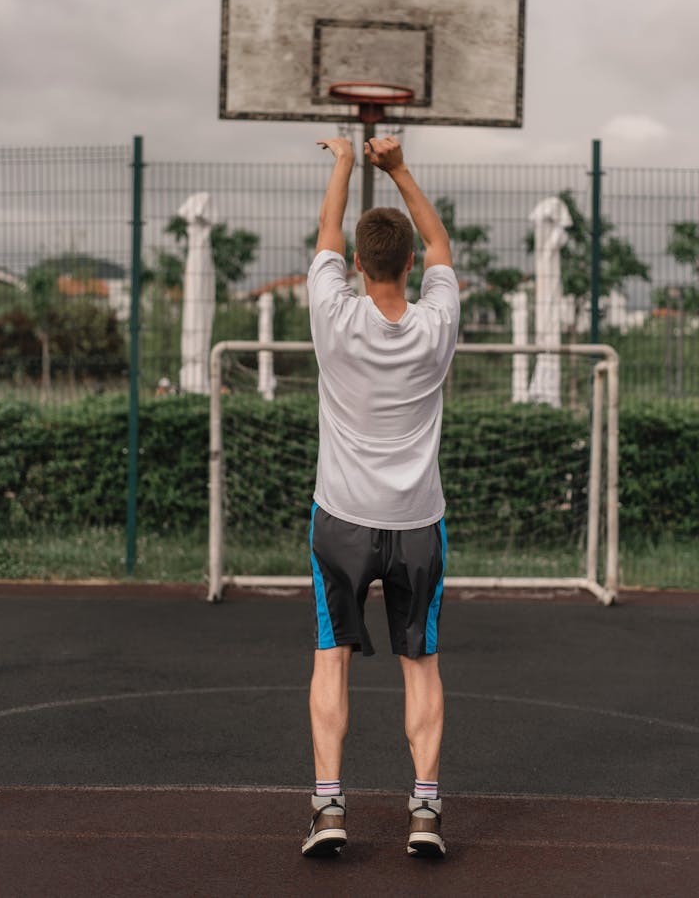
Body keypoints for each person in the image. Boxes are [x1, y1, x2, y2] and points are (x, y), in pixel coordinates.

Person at [302, 134, 460, 859]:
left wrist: (343, 162)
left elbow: (327, 236)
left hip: (340, 521)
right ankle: (424, 815)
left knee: (331, 657)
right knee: (419, 663)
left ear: (360, 267)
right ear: (408, 268)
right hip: (417, 526)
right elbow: (440, 244)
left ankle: (329, 810)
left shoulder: (334, 318)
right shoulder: (436, 324)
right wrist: (396, 169)